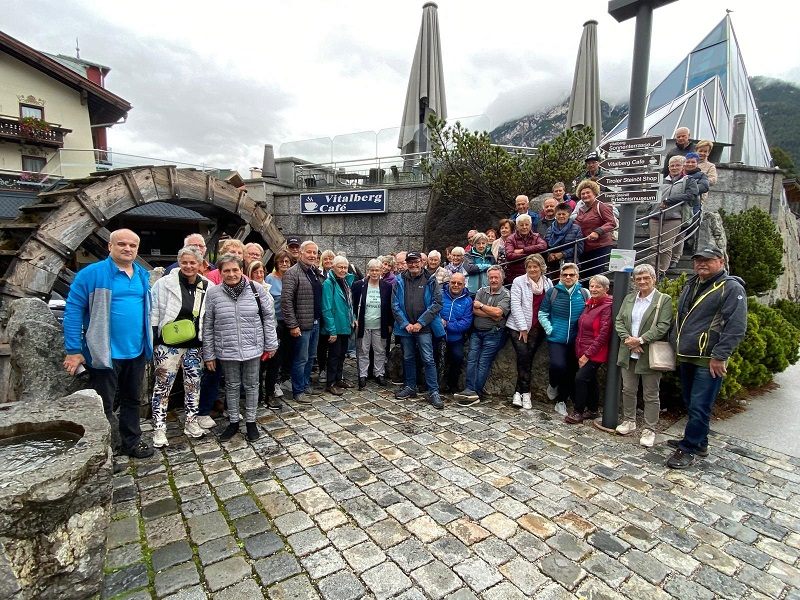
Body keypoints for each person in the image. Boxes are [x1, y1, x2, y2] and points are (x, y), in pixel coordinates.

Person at [63, 228, 154, 459]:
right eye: (122, 244)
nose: (128, 248)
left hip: (136, 351)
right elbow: (73, 311)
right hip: (105, 352)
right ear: (110, 247)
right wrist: (73, 350)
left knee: (132, 400)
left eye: (133, 245)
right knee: (103, 405)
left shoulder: (142, 275)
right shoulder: (91, 274)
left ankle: (131, 442)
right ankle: (101, 452)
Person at [667, 246, 747, 469]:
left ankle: (689, 448)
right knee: (691, 403)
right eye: (698, 260)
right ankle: (700, 442)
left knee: (700, 405)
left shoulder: (730, 287)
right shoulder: (693, 283)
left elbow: (737, 326)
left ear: (720, 261)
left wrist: (720, 356)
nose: (701, 263)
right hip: (687, 354)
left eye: (707, 260)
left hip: (708, 358)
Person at [203, 254, 278, 442]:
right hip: (227, 347)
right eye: (226, 270)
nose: (231, 274)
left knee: (252, 385)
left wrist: (271, 344)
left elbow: (269, 318)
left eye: (235, 269)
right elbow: (208, 325)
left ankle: (251, 422)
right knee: (232, 385)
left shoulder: (256, 289)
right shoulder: (213, 294)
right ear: (220, 273)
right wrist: (209, 354)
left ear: (242, 271)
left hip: (253, 345)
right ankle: (234, 421)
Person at [149, 246, 210, 447]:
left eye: (193, 262)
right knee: (162, 387)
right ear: (179, 263)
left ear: (200, 264)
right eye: (185, 262)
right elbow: (155, 311)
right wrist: (155, 340)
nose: (189, 266)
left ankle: (191, 422)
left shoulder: (207, 285)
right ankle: (159, 427)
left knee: (193, 385)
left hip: (195, 345)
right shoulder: (164, 284)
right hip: (168, 345)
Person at [614, 264, 673, 447]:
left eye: (645, 278)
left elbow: (663, 325)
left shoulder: (663, 300)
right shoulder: (629, 299)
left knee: (650, 393)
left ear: (654, 279)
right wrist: (629, 340)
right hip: (628, 351)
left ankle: (650, 428)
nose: (642, 281)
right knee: (628, 389)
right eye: (638, 278)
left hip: (648, 353)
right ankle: (629, 420)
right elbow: (619, 321)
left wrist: (640, 340)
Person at [391, 251, 444, 409]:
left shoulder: (430, 279)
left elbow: (437, 303)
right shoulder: (399, 280)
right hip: (405, 328)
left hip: (425, 327)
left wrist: (420, 323)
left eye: (416, 261)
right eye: (410, 262)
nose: (413, 265)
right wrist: (405, 323)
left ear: (422, 262)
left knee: (428, 359)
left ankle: (433, 391)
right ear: (406, 263)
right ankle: (410, 387)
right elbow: (394, 306)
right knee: (408, 357)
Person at [455, 266, 510, 406]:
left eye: (496, 277)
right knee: (472, 360)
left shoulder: (506, 294)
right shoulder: (481, 291)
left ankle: (475, 392)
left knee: (483, 362)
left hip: (494, 333)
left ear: (502, 278)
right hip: (477, 332)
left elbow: (499, 314)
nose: (493, 280)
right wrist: (491, 312)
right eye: (490, 277)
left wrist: (483, 307)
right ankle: (469, 389)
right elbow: (475, 310)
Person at [538, 262, 589, 415]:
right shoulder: (553, 292)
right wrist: (549, 329)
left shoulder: (584, 293)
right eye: (564, 274)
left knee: (570, 371)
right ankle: (553, 384)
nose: (568, 277)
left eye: (571, 275)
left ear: (577, 276)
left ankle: (561, 401)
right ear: (560, 276)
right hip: (556, 337)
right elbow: (542, 313)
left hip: (576, 339)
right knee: (557, 365)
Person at [565, 275, 613, 424]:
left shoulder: (607, 307)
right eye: (592, 286)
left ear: (606, 289)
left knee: (581, 378)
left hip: (595, 352)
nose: (593, 289)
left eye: (598, 286)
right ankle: (593, 410)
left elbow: (604, 333)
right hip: (582, 348)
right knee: (590, 379)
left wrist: (587, 354)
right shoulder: (590, 303)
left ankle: (578, 411)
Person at [507, 254, 553, 409]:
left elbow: (549, 307)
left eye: (535, 266)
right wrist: (523, 328)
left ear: (541, 267)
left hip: (538, 328)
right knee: (523, 356)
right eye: (529, 267)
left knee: (528, 359)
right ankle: (525, 393)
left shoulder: (548, 284)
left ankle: (518, 393)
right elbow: (515, 305)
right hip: (518, 327)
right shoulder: (518, 281)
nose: (532, 269)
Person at [282, 240, 323, 404]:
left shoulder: (314, 272)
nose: (312, 255)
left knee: (311, 356)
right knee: (300, 358)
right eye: (309, 252)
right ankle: (298, 390)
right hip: (301, 325)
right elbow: (286, 301)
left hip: (315, 322)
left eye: (315, 253)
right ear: (301, 253)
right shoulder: (292, 273)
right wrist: (293, 325)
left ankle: (305, 384)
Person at [650, 155, 699, 278]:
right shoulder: (661, 179)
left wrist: (669, 200)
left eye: (677, 165)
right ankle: (651, 273)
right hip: (656, 216)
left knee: (666, 246)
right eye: (672, 165)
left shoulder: (688, 180)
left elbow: (691, 195)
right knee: (653, 246)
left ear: (683, 167)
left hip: (674, 217)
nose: (674, 167)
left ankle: (661, 273)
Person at [352, 259, 393, 389]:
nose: (374, 273)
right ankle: (362, 375)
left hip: (380, 324)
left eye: (377, 270)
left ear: (381, 271)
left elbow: (390, 307)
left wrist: (390, 323)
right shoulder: (359, 285)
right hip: (364, 324)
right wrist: (354, 318)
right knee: (363, 350)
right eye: (372, 270)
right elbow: (353, 304)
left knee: (380, 350)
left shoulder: (387, 286)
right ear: (368, 271)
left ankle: (379, 373)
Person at [320, 256, 356, 395]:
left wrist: (353, 318)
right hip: (336, 326)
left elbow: (349, 304)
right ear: (333, 267)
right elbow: (326, 308)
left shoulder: (346, 281)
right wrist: (332, 330)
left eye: (345, 267)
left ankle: (339, 378)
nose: (343, 270)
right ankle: (331, 383)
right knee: (334, 356)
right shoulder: (329, 283)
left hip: (345, 325)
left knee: (341, 355)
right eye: (340, 267)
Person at [265, 251, 293, 407]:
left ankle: (283, 378)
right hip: (276, 323)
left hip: (289, 321)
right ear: (276, 262)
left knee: (287, 353)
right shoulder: (270, 278)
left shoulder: (290, 278)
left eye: (287, 261)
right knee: (275, 356)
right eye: (282, 261)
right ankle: (272, 384)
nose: (284, 264)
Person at [573, 180, 616, 280]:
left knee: (596, 275)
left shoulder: (601, 205)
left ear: (594, 193)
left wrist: (598, 232)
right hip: (585, 247)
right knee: (584, 276)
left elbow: (611, 222)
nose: (585, 195)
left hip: (600, 247)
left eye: (588, 192)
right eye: (582, 193)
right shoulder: (581, 209)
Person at [439, 272, 473, 394]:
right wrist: (440, 323)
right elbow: (434, 312)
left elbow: (466, 322)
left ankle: (452, 384)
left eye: (459, 283)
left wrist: (447, 324)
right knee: (432, 355)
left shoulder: (468, 301)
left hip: (456, 337)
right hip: (438, 334)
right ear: (449, 283)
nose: (456, 285)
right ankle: (431, 384)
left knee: (457, 357)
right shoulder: (440, 295)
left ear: (464, 285)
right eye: (453, 282)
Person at [678, 152, 709, 260]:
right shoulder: (679, 174)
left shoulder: (701, 175)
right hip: (678, 204)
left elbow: (704, 186)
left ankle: (686, 245)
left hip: (692, 205)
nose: (690, 164)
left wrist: (690, 190)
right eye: (688, 162)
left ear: (697, 163)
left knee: (690, 225)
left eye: (693, 162)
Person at [504, 214, 547, 283]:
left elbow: (543, 246)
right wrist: (532, 256)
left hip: (534, 273)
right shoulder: (510, 239)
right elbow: (509, 255)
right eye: (521, 225)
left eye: (526, 224)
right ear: (517, 227)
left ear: (530, 226)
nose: (524, 227)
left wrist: (523, 250)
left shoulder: (536, 236)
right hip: (516, 274)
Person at [545, 202, 584, 279]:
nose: (561, 216)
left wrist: (562, 254)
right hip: (553, 265)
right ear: (555, 215)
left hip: (570, 264)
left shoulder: (576, 229)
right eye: (559, 214)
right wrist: (550, 254)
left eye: (564, 214)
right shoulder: (549, 230)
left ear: (569, 215)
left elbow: (579, 248)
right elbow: (546, 245)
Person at [316, 249, 336, 383]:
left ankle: (334, 370)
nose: (328, 261)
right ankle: (322, 368)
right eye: (326, 259)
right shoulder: (318, 274)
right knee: (322, 344)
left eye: (330, 259)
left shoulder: (339, 275)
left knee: (335, 345)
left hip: (336, 314)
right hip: (322, 314)